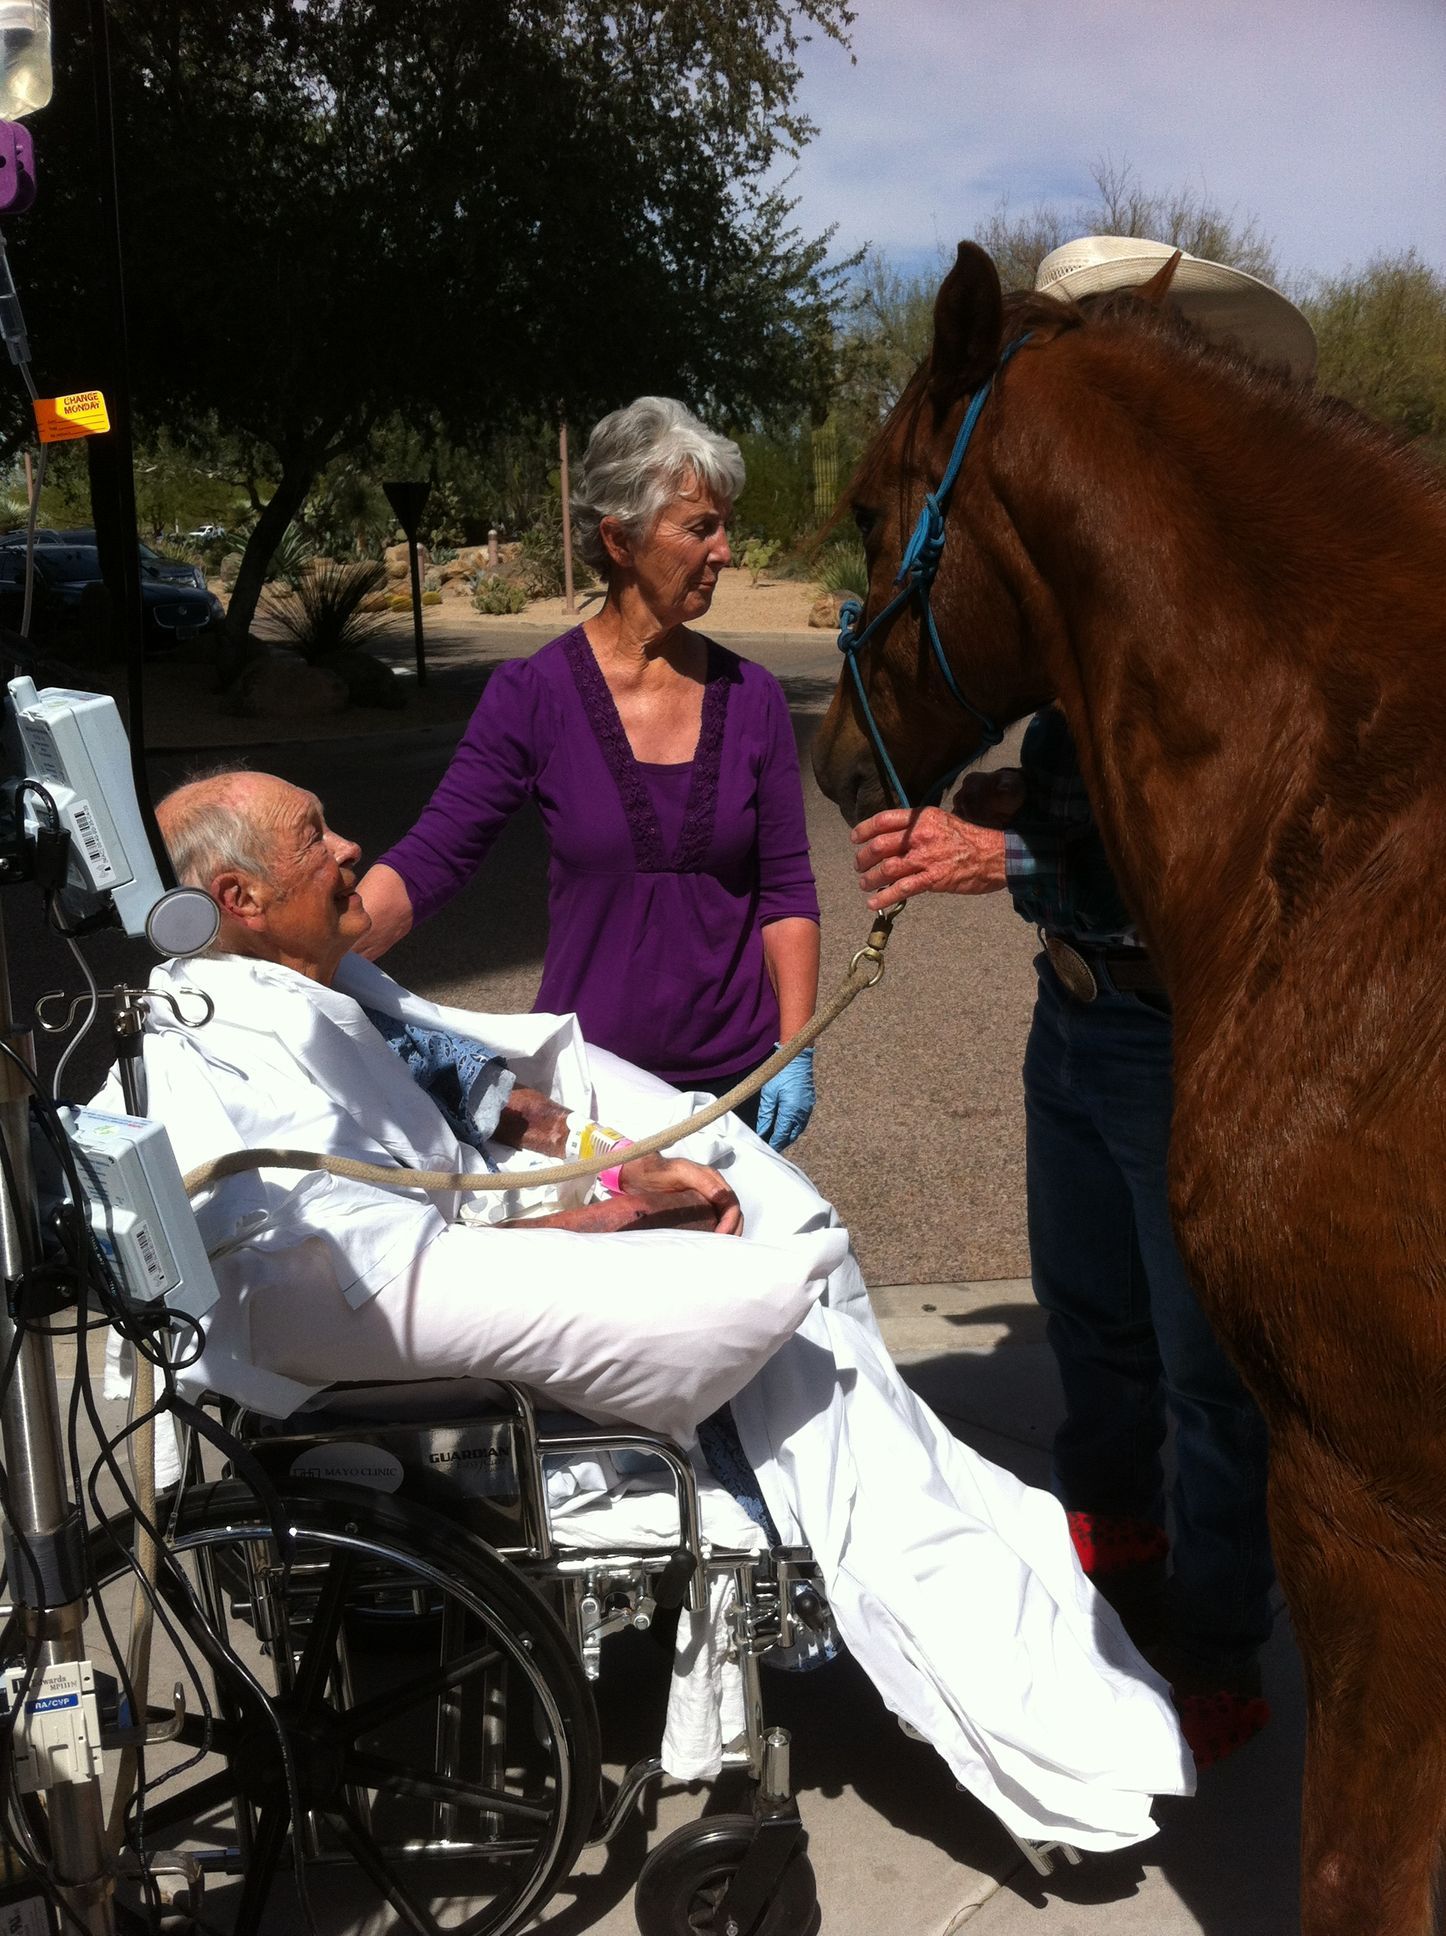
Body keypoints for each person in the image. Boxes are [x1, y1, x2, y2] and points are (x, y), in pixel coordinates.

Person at [99, 768, 1194, 1854]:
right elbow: (391, 1274)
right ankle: (1029, 1680)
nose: (350, 849)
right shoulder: (238, 1057)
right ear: (238, 898)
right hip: (447, 1303)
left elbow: (469, 1084)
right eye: (315, 835)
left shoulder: (319, 988)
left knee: (777, 1221)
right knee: (802, 1347)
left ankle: (1011, 1580)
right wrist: (620, 1216)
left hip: (477, 1234)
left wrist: (607, 1159)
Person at [847, 237, 1316, 1769]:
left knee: (1198, 1374)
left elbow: (1199, 824)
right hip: (1073, 1023)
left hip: (1168, 1031)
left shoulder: (1220, 600)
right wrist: (1012, 793)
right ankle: (1110, 1584)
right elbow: (1089, 772)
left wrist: (1013, 846)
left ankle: (1218, 1645)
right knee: (1097, 1334)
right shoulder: (1090, 588)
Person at [356, 397, 820, 1149]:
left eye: (725, 527)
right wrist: (307, 951)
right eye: (701, 527)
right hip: (594, 1090)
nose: (725, 551)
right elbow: (436, 855)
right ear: (620, 538)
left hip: (735, 1087)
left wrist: (792, 1050)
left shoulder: (754, 697)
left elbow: (787, 890)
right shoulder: (534, 694)